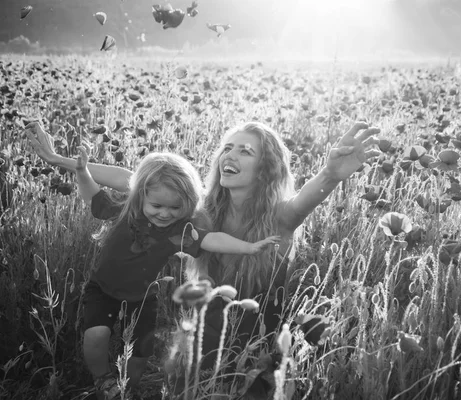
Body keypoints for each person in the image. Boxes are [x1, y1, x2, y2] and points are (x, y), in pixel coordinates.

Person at [24, 119, 379, 388]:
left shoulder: (281, 217)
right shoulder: (201, 211)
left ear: (266, 168)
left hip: (264, 327)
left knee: (260, 377)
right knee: (181, 381)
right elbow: (133, 179)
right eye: (228, 147)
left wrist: (331, 175)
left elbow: (309, 198)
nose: (231, 154)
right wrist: (63, 160)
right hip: (211, 324)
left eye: (245, 151)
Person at [72, 145, 280, 400]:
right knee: (96, 335)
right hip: (102, 289)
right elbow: (92, 195)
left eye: (174, 208)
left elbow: (211, 239)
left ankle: (128, 387)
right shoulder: (125, 212)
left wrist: (248, 247)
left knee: (141, 352)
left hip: (142, 296)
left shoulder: (178, 231)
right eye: (157, 205)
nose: (165, 214)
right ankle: (102, 378)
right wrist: (82, 171)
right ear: (141, 197)